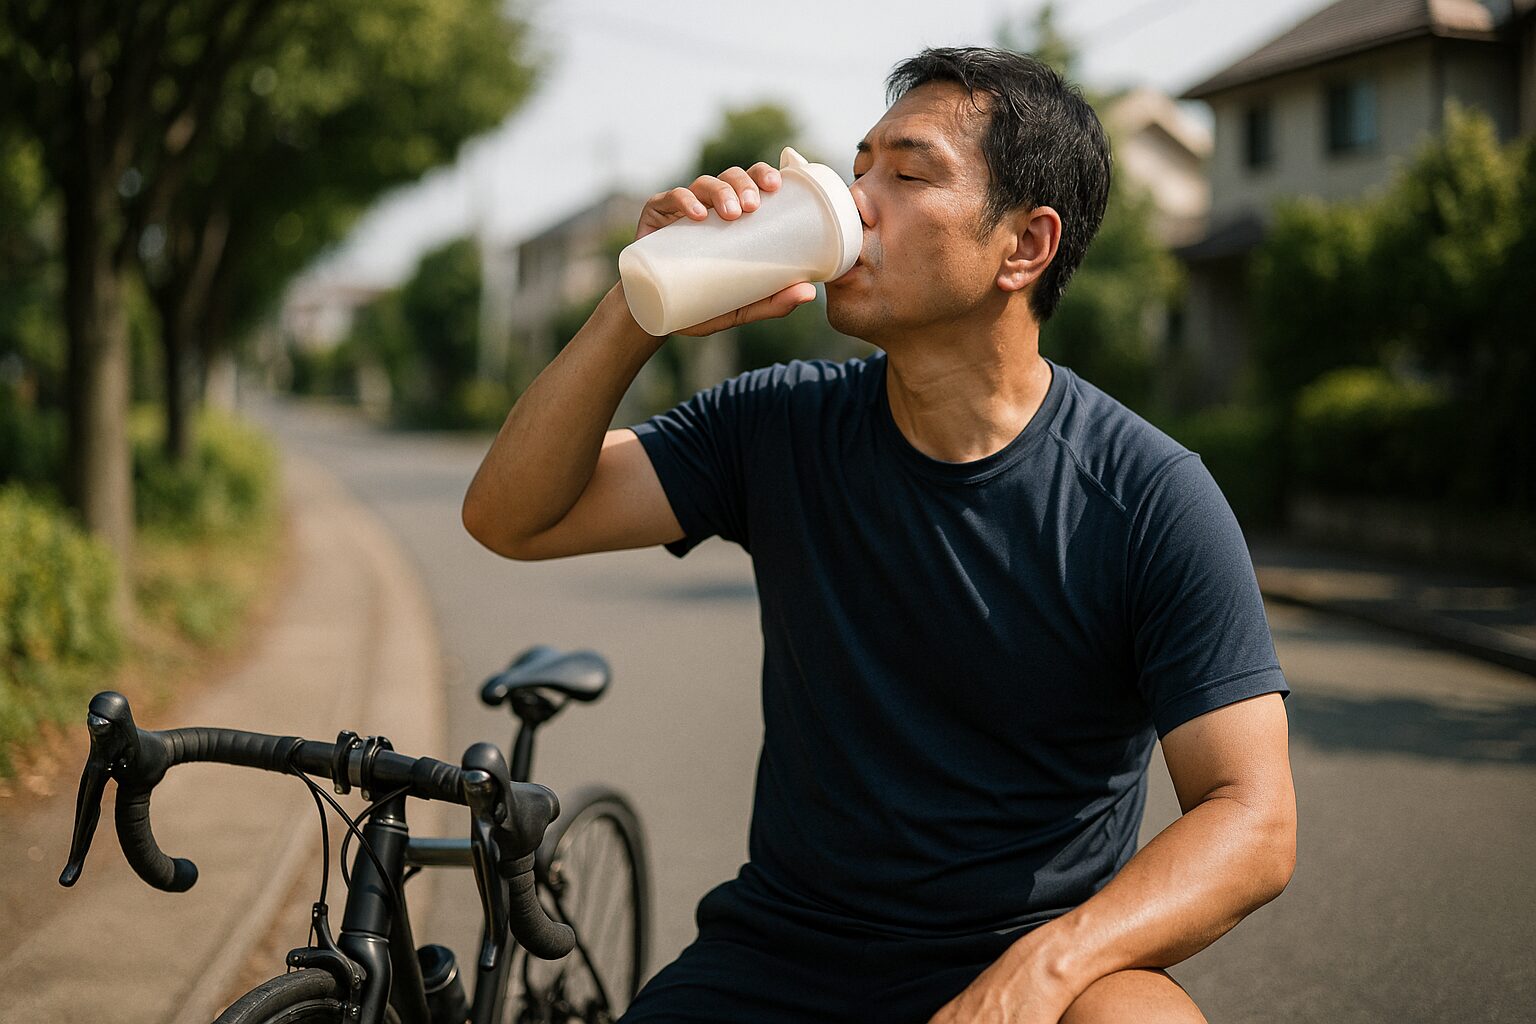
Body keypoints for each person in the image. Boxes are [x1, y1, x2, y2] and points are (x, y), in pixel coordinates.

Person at [463, 46, 1295, 1024]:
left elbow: (1253, 815)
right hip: (775, 959)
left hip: (1028, 961)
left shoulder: (1147, 496)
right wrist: (640, 302)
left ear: (1024, 247)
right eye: (858, 168)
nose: (857, 200)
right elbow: (510, 517)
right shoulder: (778, 423)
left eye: (908, 174)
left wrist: (1043, 972)